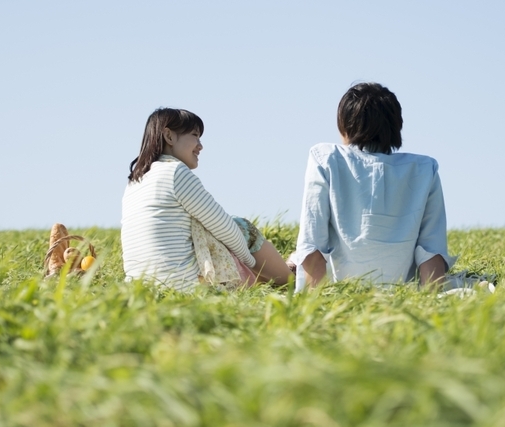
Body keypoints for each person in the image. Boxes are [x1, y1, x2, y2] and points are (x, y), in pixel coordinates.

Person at [293, 83, 456, 290]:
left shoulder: (325, 158)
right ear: (396, 125)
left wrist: (311, 306)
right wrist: (433, 302)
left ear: (344, 124)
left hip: (340, 290)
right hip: (403, 291)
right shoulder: (424, 169)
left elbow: (313, 243)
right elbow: (431, 251)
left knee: (290, 261)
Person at [122, 107, 291, 291]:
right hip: (185, 288)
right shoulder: (175, 172)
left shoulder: (134, 183)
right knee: (242, 228)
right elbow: (225, 227)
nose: (200, 146)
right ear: (169, 136)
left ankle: (273, 282)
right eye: (195, 135)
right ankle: (293, 284)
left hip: (141, 290)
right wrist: (249, 261)